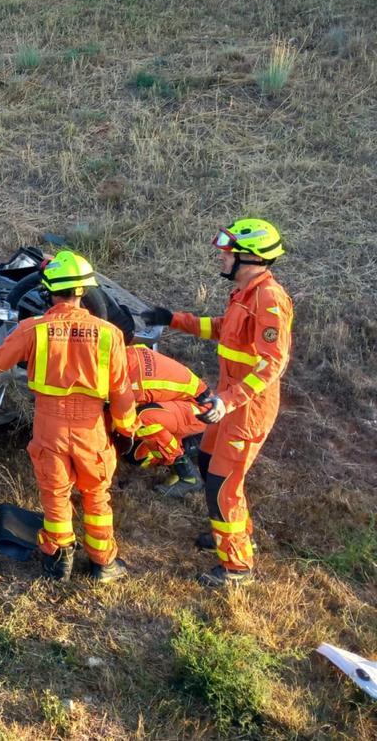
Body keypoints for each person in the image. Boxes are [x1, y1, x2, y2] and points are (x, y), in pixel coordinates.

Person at [0, 251, 137, 582]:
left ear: (48, 291)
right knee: (96, 494)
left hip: (50, 425)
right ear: (84, 291)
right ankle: (104, 564)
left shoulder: (34, 329)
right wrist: (126, 428)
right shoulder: (109, 334)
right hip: (91, 428)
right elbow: (121, 391)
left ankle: (59, 562)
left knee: (55, 492)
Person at [142, 218, 292, 587]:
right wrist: (173, 319)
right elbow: (223, 328)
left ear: (250, 257)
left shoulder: (269, 299)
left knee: (224, 483)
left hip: (246, 409)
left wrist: (229, 400)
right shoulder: (245, 293)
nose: (222, 258)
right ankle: (234, 533)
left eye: (228, 253)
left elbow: (272, 363)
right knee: (209, 464)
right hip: (227, 403)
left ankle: (238, 567)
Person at [107, 310, 216, 493]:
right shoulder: (127, 355)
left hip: (200, 409)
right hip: (180, 404)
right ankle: (184, 446)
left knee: (143, 419)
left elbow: (121, 418)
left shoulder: (131, 383)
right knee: (137, 457)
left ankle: (186, 474)